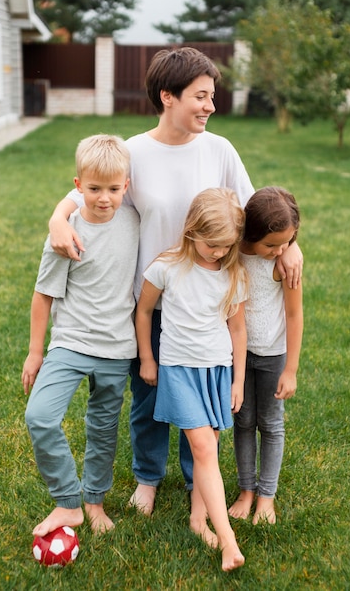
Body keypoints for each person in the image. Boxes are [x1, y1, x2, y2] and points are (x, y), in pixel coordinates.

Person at [47, 47, 303, 517]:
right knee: (148, 395)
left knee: (202, 400)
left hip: (209, 303)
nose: (210, 105)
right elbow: (81, 192)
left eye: (212, 96)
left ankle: (194, 479)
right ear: (168, 96)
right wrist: (57, 219)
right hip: (153, 301)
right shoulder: (135, 153)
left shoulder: (219, 149)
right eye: (200, 96)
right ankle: (147, 476)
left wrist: (292, 246)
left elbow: (256, 210)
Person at [21, 134, 139, 537]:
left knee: (103, 428)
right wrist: (36, 352)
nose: (103, 198)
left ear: (126, 186)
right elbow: (43, 295)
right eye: (92, 189)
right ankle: (67, 501)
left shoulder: (134, 217)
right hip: (69, 343)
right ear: (77, 186)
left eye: (112, 189)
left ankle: (94, 501)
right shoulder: (65, 232)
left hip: (118, 348)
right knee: (39, 416)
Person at [136, 188, 247, 571]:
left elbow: (238, 330)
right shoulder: (167, 266)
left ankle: (198, 519)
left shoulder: (232, 272)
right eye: (210, 243)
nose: (216, 252)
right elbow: (144, 311)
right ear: (191, 230)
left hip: (217, 369)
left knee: (208, 451)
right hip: (179, 370)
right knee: (202, 448)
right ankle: (228, 541)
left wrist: (238, 380)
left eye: (224, 245)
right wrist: (147, 359)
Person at [228, 186, 303, 525]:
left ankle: (266, 497)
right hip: (238, 355)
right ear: (251, 233)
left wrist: (291, 369)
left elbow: (293, 315)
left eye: (287, 242)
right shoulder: (234, 254)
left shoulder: (285, 264)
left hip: (273, 355)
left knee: (270, 425)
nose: (280, 250)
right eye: (271, 245)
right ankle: (246, 490)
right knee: (243, 421)